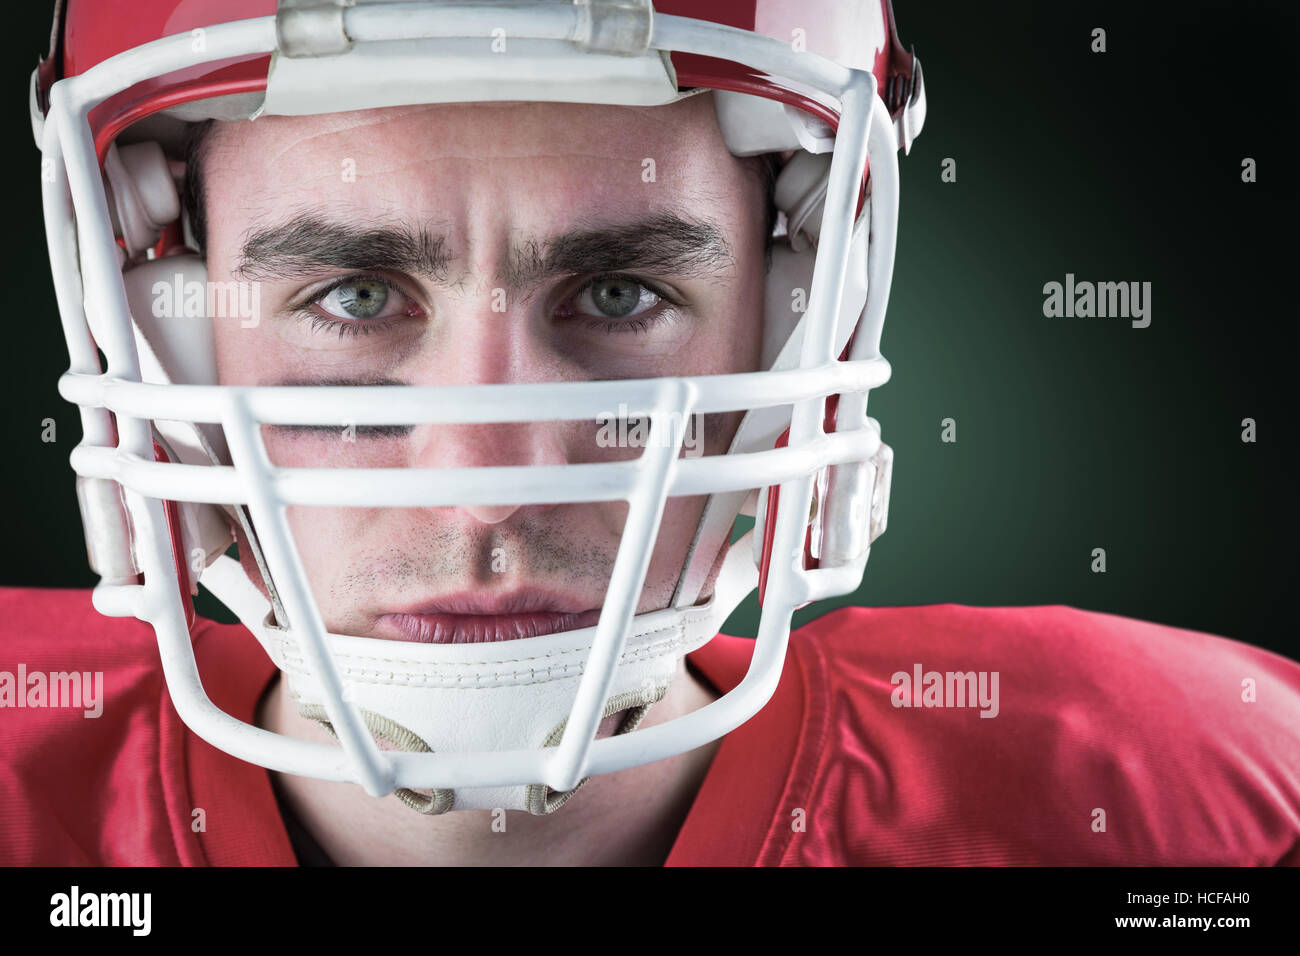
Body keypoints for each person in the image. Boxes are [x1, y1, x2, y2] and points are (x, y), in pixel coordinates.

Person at [4, 0, 1298, 866]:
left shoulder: (1177, 803)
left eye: (619, 295)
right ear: (169, 317)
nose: (488, 491)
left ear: (791, 323)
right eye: (353, 297)